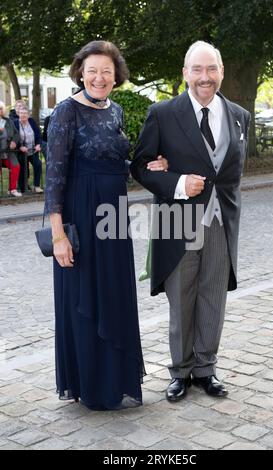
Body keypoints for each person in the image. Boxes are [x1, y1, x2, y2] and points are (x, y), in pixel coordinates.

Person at [44, 40, 168, 411]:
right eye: (92, 70)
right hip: (80, 216)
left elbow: (121, 164)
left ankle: (115, 381)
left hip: (113, 219)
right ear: (81, 72)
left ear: (117, 78)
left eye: (107, 72)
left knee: (112, 295)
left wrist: (152, 168)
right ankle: (91, 385)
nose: (99, 77)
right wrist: (59, 236)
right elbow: (54, 179)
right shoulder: (67, 112)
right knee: (85, 298)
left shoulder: (114, 112)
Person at [130, 41, 251, 402]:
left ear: (221, 72)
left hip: (220, 223)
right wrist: (178, 182)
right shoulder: (162, 114)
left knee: (213, 296)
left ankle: (205, 369)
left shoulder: (239, 116)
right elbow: (140, 166)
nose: (205, 77)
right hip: (178, 221)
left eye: (211, 69)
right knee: (181, 298)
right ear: (185, 73)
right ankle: (180, 371)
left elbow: (232, 174)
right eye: (197, 70)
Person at [14, 107, 43, 193]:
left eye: (25, 113)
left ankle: (36, 185)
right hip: (21, 151)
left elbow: (38, 134)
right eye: (21, 113)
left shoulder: (32, 122)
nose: (23, 115)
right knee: (23, 168)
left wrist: (38, 144)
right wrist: (20, 146)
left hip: (32, 150)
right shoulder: (15, 123)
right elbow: (13, 136)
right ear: (18, 114)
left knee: (38, 164)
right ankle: (23, 188)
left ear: (28, 115)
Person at [0, 101, 21, 197]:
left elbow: (16, 134)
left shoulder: (8, 121)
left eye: (0, 108)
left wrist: (14, 142)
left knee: (15, 166)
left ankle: (12, 189)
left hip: (8, 151)